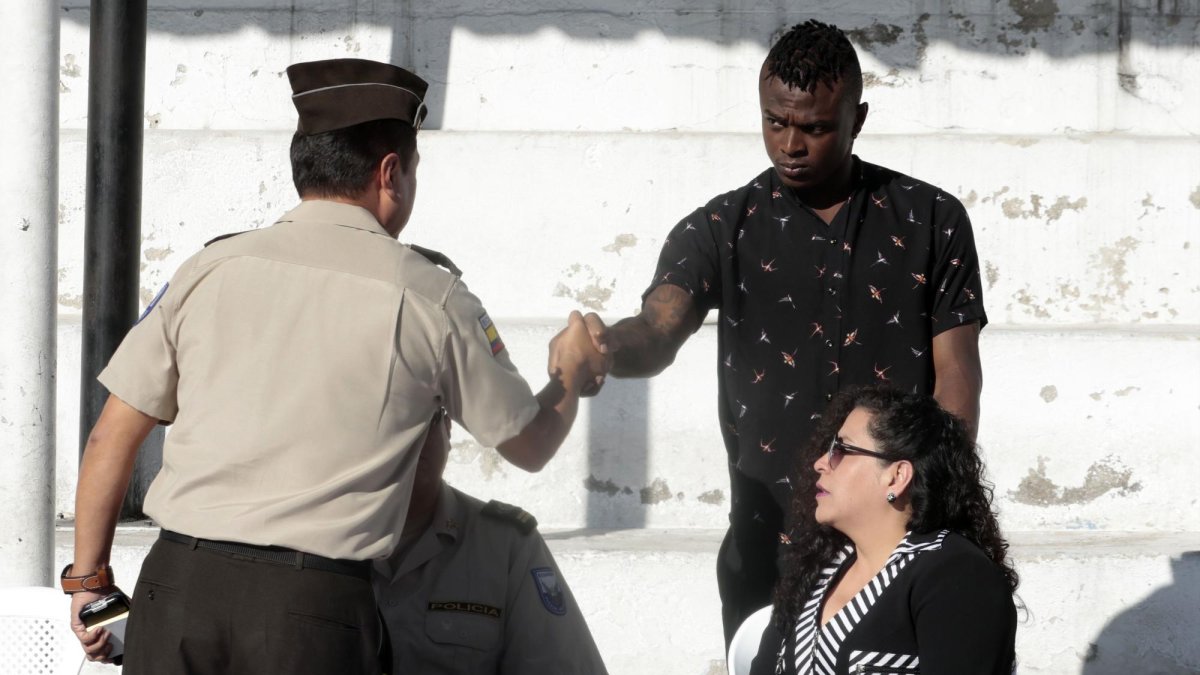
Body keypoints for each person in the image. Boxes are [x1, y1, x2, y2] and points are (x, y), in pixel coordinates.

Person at [65, 57, 605, 674]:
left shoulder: (208, 268)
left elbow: (110, 437)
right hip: (310, 609)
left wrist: (88, 583)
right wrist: (570, 375)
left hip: (178, 590)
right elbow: (529, 445)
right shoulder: (431, 295)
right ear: (391, 172)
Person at [579, 19, 987, 644]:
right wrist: (604, 348)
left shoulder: (932, 220)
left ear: (857, 119)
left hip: (898, 536)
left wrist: (937, 493)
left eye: (815, 128)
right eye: (775, 122)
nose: (790, 144)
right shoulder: (721, 227)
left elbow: (957, 370)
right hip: (767, 545)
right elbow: (658, 328)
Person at [749, 386, 1018, 674]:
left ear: (897, 476)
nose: (820, 463)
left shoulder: (956, 576)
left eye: (842, 449)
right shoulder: (819, 567)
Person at [374, 409, 608, 674]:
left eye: (422, 419)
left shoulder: (507, 545)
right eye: (386, 425)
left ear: (447, 429)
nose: (409, 438)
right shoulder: (330, 542)